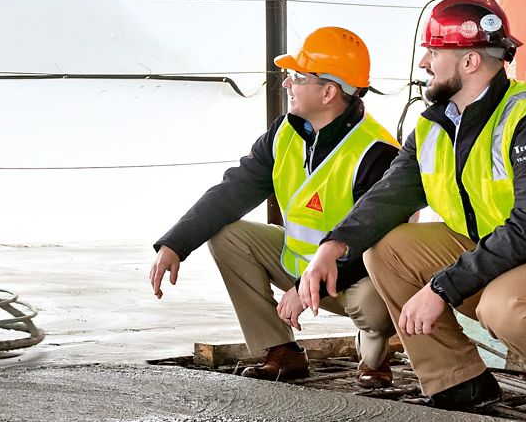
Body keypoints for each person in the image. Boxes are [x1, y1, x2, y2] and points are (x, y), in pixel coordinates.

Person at [294, 0, 526, 422]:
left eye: (433, 52)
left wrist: (441, 288)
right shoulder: (434, 125)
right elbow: (388, 198)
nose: (424, 63)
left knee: (506, 306)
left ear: (468, 63)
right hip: (516, 260)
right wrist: (331, 247)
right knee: (387, 249)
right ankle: (457, 380)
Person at [150, 27, 401, 383]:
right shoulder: (285, 132)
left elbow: (375, 243)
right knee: (229, 235)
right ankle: (281, 352)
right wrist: (175, 243)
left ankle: (375, 359)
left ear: (329, 92)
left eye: (297, 76)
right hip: (301, 267)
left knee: (374, 300)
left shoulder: (377, 152)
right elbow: (233, 190)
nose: (286, 84)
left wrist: (303, 287)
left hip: (356, 277)